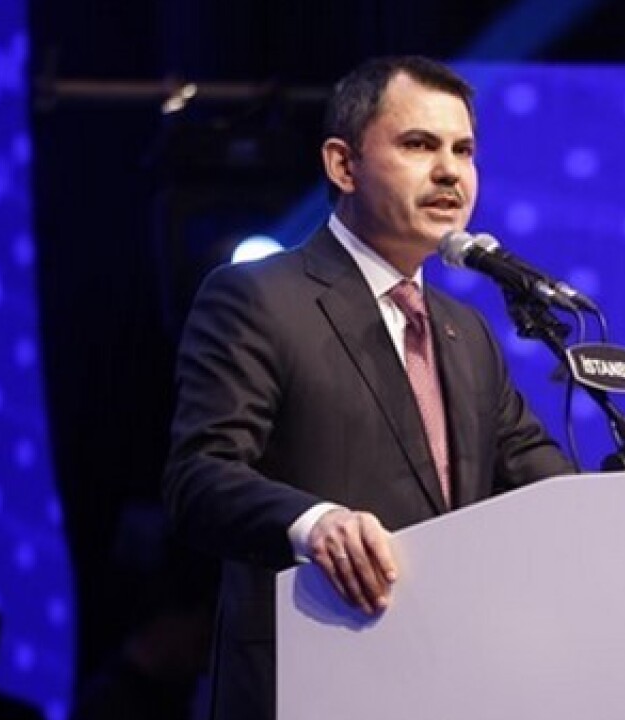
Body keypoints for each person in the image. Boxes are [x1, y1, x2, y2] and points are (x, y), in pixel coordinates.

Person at [162, 55, 573, 720]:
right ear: (342, 165)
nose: (450, 171)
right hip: (311, 676)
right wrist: (315, 524)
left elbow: (543, 484)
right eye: (419, 145)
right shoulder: (259, 298)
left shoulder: (465, 332)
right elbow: (199, 477)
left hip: (450, 683)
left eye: (463, 150)